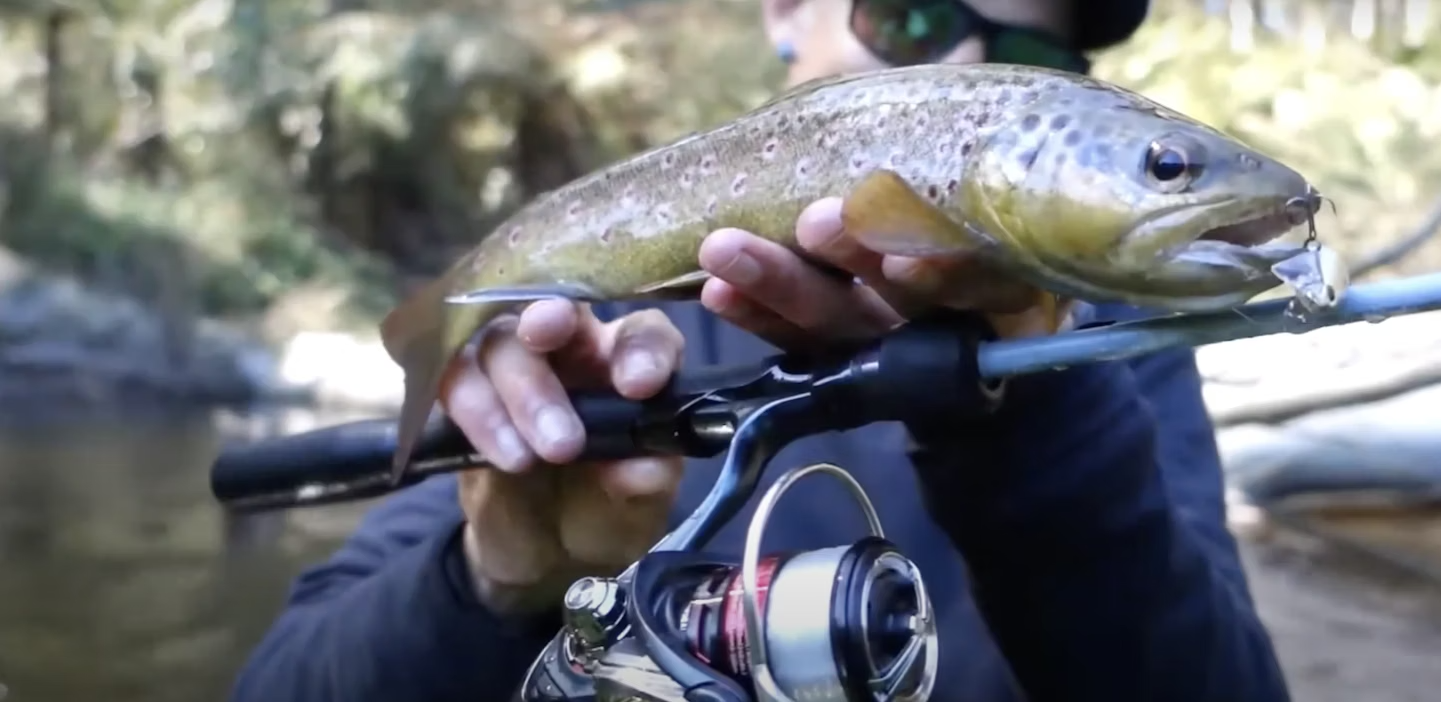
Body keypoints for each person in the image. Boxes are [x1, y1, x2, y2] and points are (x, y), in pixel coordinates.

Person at [230, 0, 1292, 700]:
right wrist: (494, 581)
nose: (965, 65)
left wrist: (1036, 426)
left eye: (1027, 57)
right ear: (789, 11)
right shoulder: (592, 355)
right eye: (911, 18)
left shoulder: (1111, 357)